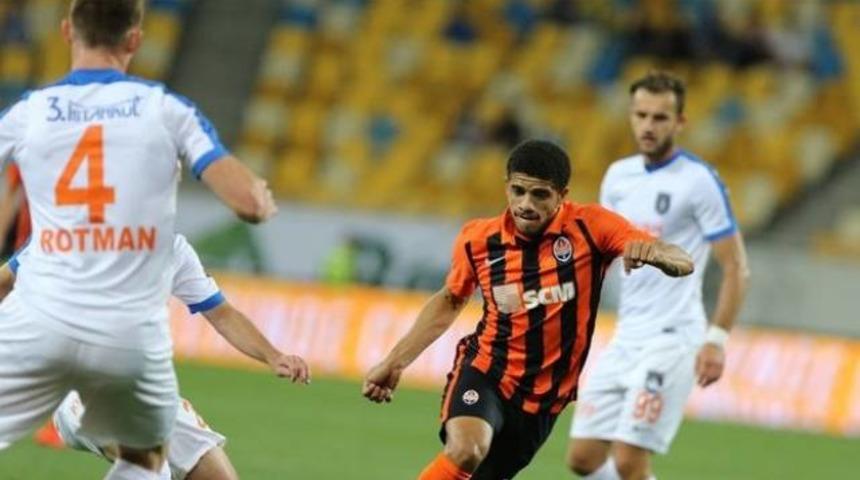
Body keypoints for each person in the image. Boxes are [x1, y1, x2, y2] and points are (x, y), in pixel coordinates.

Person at [0, 1, 276, 478]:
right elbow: (246, 201)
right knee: (146, 458)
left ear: (67, 32)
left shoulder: (27, 112)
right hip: (123, 335)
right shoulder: (166, 110)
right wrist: (259, 196)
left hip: (35, 319)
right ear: (135, 41)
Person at [362, 139, 695, 479]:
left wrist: (658, 256)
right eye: (518, 191)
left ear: (561, 195)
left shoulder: (590, 227)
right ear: (507, 187)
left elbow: (680, 258)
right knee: (466, 449)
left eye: (540, 195)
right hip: (487, 372)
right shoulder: (478, 240)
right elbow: (450, 300)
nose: (525, 204)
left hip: (544, 400)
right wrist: (394, 362)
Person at [0, 234, 310, 480]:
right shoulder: (67, 237)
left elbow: (222, 314)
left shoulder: (173, 250)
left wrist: (274, 356)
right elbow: (5, 283)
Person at [566, 71, 750, 480]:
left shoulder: (699, 181)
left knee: (630, 461)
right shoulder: (618, 177)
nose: (648, 126)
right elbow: (601, 248)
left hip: (673, 338)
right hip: (627, 335)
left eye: (660, 118)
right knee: (583, 459)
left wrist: (716, 341)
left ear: (680, 122)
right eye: (641, 115)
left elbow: (736, 266)